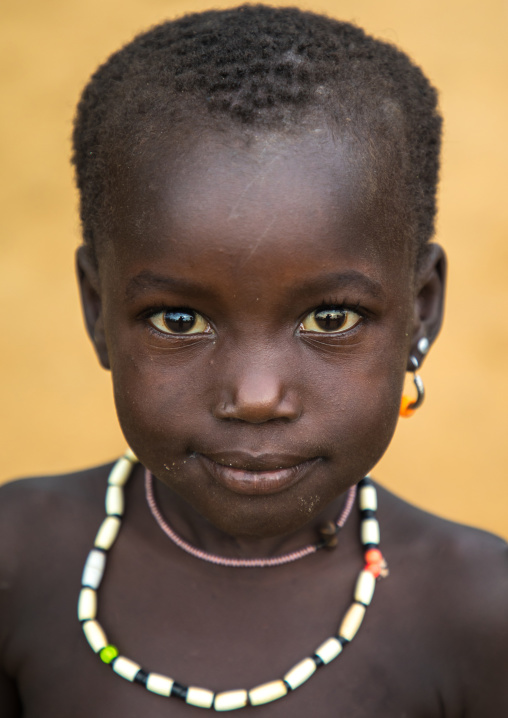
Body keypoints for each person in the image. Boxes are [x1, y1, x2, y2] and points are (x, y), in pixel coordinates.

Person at [0, 5, 507, 716]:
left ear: (420, 309)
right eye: (179, 319)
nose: (257, 395)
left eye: (331, 318)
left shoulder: (481, 611)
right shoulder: (18, 562)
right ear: (97, 312)